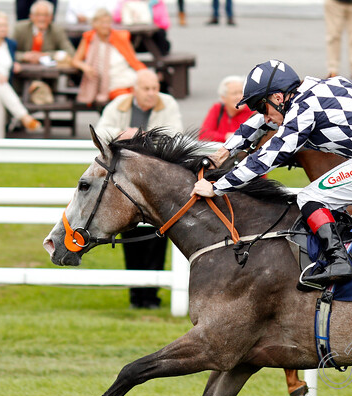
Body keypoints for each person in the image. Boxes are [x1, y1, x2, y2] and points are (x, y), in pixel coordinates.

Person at [190, 60, 352, 288]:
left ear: (278, 98)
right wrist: (223, 152)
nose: (266, 117)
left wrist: (218, 186)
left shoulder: (304, 108)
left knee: (310, 198)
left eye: (262, 107)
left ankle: (339, 262)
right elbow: (260, 122)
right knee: (328, 201)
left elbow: (270, 156)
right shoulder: (313, 90)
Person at [95, 70, 183, 308]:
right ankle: (136, 296)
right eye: (146, 88)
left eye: (155, 88)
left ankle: (151, 296)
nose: (152, 93)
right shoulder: (118, 105)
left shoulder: (168, 104)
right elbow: (100, 132)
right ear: (135, 89)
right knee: (130, 236)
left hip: (157, 184)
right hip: (126, 184)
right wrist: (124, 134)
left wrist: (141, 136)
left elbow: (175, 135)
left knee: (157, 237)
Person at [72, 8, 146, 106]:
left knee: (144, 95)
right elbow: (75, 60)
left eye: (108, 22)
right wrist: (85, 67)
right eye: (102, 23)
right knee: (126, 101)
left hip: (127, 76)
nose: (106, 26)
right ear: (95, 24)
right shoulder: (89, 38)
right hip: (109, 82)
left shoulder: (120, 37)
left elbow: (133, 60)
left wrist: (144, 74)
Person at [199, 75, 254, 143]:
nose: (239, 97)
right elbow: (203, 135)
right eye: (234, 93)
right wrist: (226, 137)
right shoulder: (217, 108)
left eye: (241, 93)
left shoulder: (253, 111)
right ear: (223, 98)